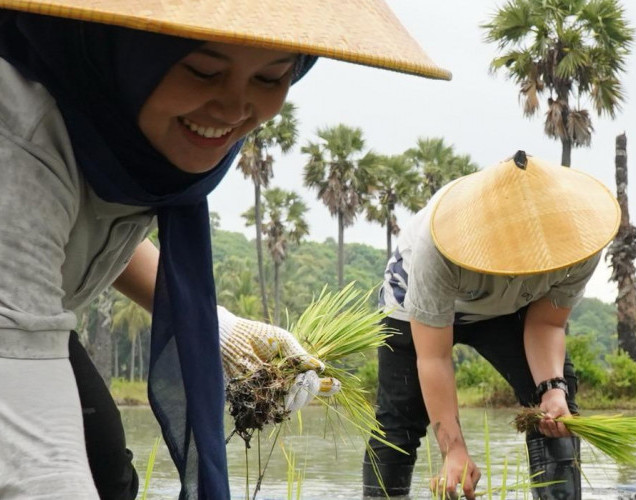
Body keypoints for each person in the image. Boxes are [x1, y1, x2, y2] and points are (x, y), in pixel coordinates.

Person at [0, 0, 451, 498]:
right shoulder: (17, 137)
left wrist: (220, 328)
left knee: (103, 464)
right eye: (203, 70)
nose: (234, 108)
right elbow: (39, 471)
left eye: (269, 78)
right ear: (128, 48)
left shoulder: (118, 132)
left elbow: (58, 233)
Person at [362, 151, 621, 500]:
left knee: (557, 404)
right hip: (413, 305)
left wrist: (552, 390)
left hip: (507, 309)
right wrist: (453, 450)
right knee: (398, 421)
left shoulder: (581, 246)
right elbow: (433, 357)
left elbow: (546, 324)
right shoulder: (435, 248)